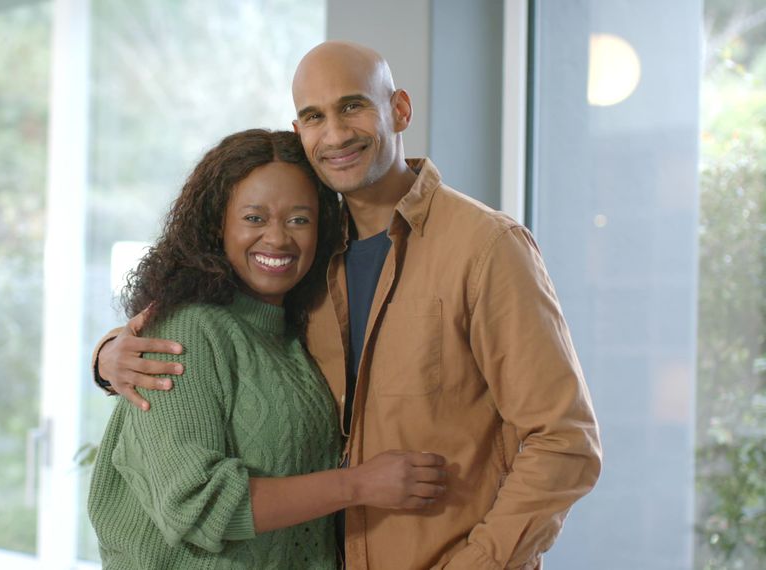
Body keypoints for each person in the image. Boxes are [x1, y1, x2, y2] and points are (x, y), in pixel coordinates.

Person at [94, 42, 603, 569]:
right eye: (315, 116)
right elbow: (226, 342)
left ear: (399, 109)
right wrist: (109, 355)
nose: (335, 134)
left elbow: (564, 441)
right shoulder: (307, 260)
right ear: (300, 132)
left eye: (353, 106)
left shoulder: (486, 248)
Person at [87, 128, 448, 570]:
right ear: (217, 224)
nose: (277, 239)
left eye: (299, 220)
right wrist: (358, 485)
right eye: (254, 218)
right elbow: (197, 503)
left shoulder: (299, 332)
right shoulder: (186, 330)